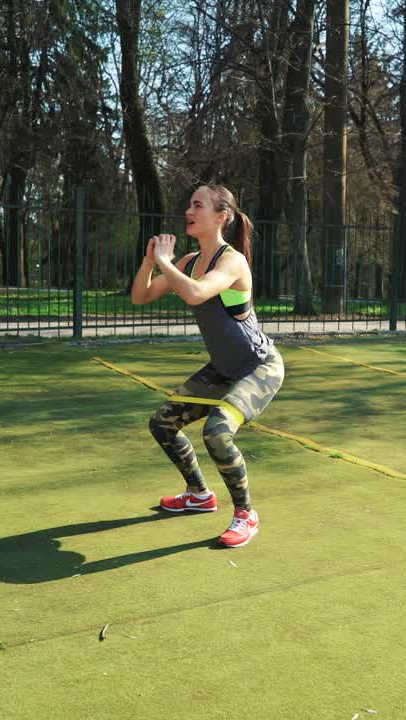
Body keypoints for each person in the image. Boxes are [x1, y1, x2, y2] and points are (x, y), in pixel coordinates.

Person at [130, 185, 284, 548]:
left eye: (198, 205)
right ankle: (199, 495)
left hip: (259, 368)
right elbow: (141, 296)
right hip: (224, 368)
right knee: (163, 423)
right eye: (189, 204)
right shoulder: (188, 262)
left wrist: (166, 263)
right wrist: (152, 261)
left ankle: (246, 514)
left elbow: (197, 293)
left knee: (217, 432)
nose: (189, 210)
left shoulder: (232, 262)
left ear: (221, 216)